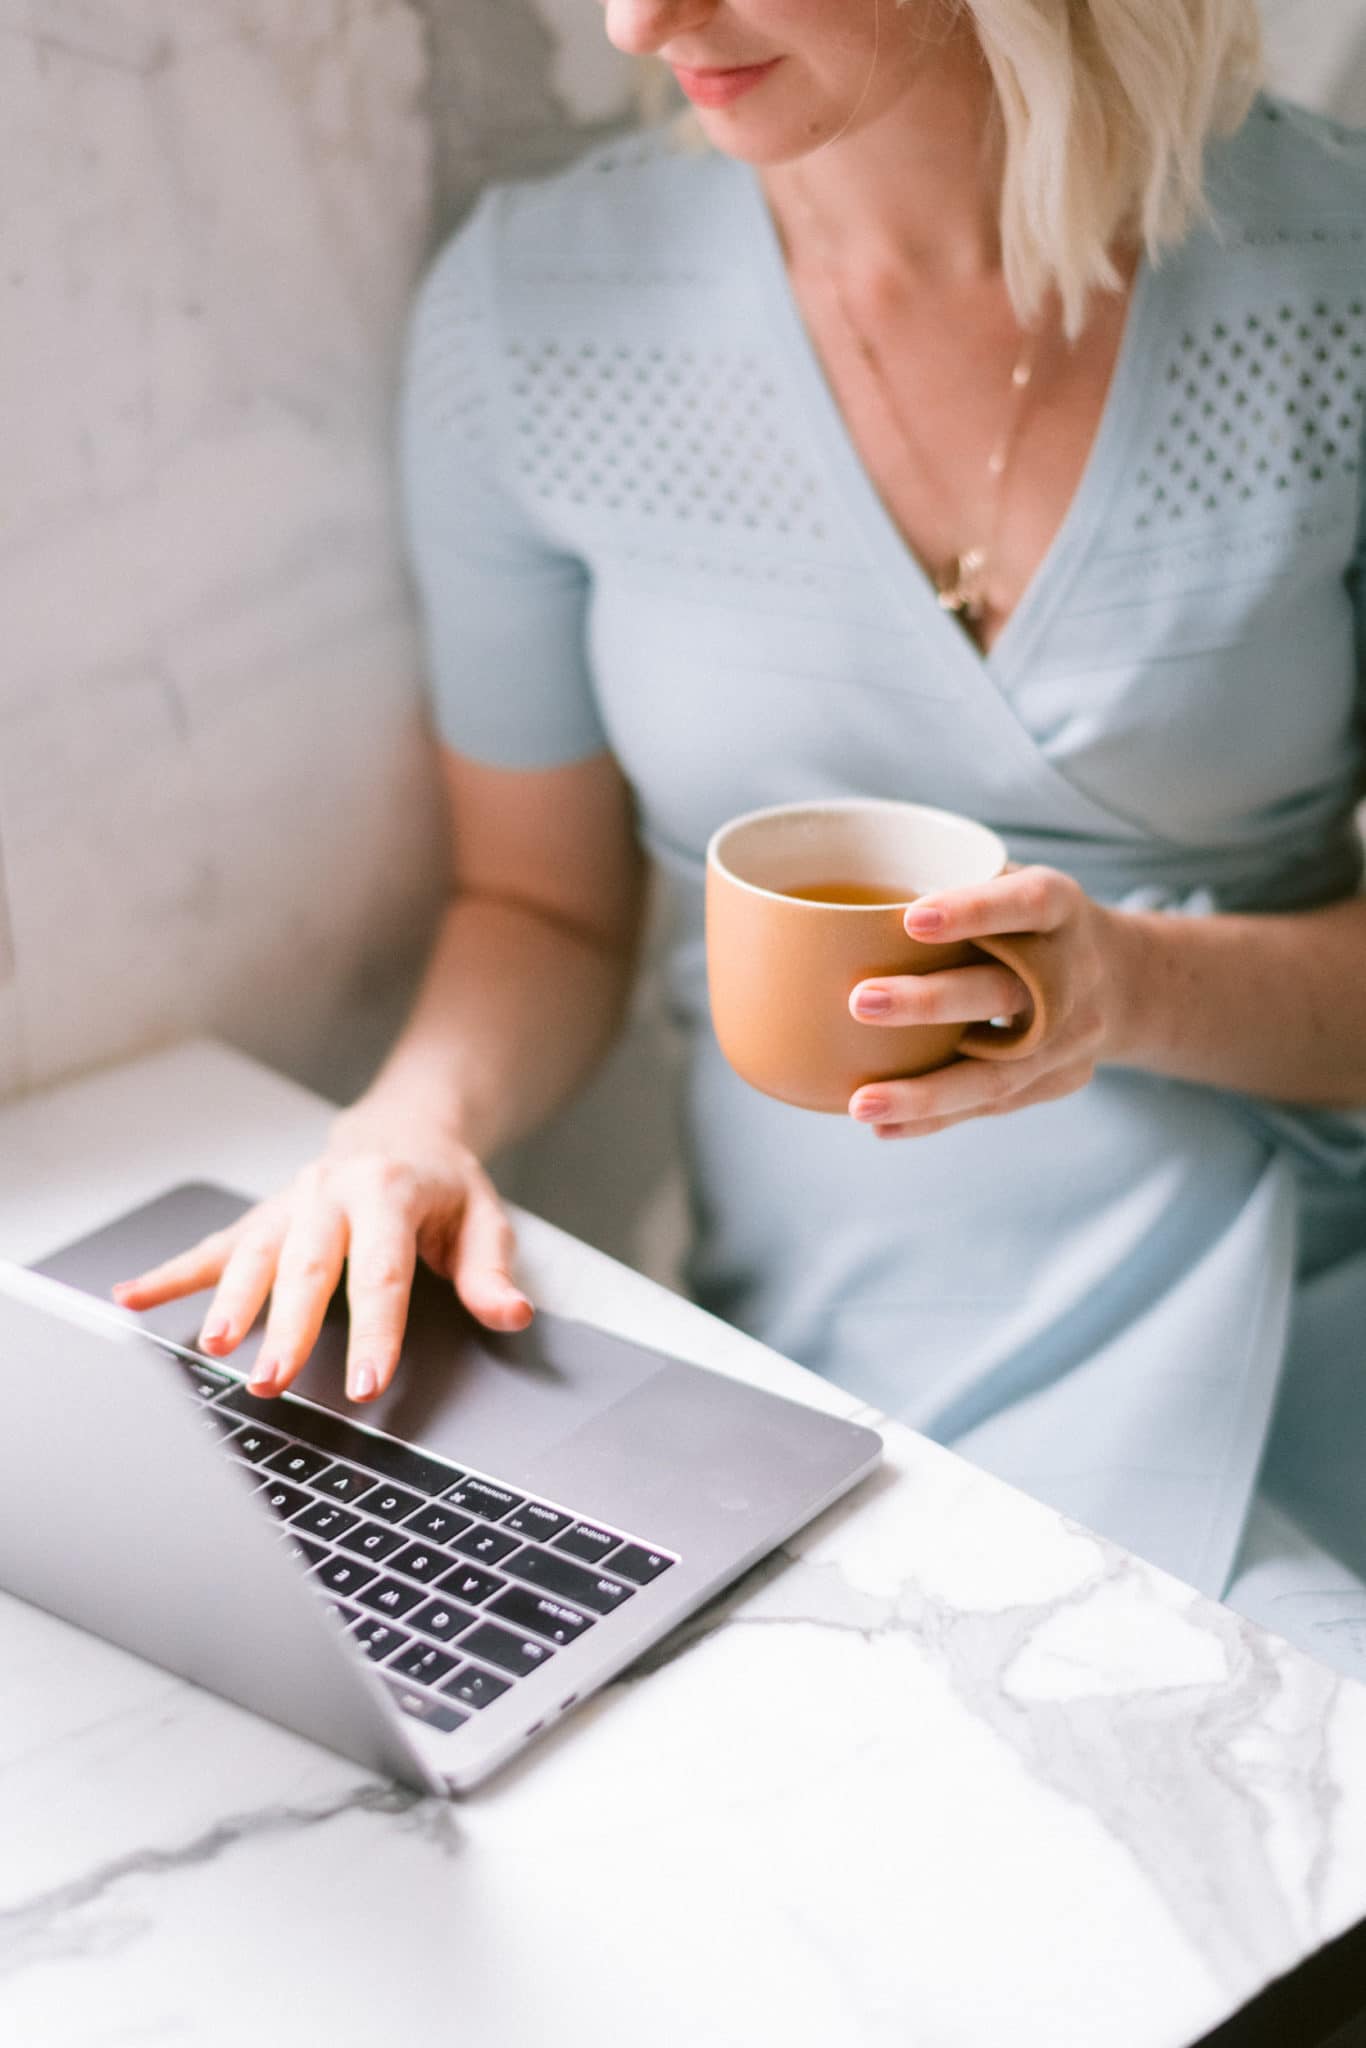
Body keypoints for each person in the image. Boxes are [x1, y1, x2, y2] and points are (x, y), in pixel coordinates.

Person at [115, 1, 1366, 1677]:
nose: (642, 19)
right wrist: (405, 1130)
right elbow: (537, 904)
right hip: (818, 1364)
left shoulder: (1329, 275)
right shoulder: (533, 313)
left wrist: (1122, 987)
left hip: (1297, 1318)